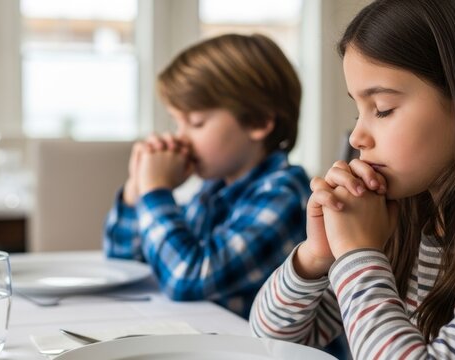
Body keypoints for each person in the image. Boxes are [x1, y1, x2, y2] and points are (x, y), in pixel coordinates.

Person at [249, 0, 455, 358]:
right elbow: (271, 338)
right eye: (358, 110)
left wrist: (357, 255)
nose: (356, 138)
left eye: (382, 109)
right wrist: (316, 255)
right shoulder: (402, 221)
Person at [104, 34, 311, 319]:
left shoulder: (284, 194)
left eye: (196, 123)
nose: (180, 138)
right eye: (177, 122)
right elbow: (126, 265)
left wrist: (155, 191)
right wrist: (136, 190)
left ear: (259, 121)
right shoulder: (212, 190)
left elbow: (188, 279)